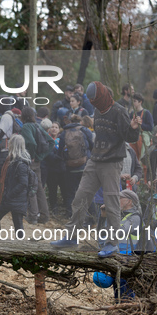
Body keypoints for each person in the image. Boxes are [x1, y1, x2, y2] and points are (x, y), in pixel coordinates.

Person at [51, 81, 141, 258]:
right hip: (95, 160)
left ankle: (112, 243)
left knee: (112, 202)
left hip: (112, 162)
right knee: (80, 197)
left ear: (103, 96)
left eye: (96, 100)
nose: (94, 103)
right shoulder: (98, 111)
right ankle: (71, 236)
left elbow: (128, 136)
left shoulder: (119, 111)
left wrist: (134, 128)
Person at [0, 134, 35, 232]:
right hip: (11, 198)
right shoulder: (11, 161)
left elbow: (23, 183)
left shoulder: (20, 164)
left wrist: (9, 195)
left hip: (14, 199)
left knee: (17, 224)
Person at [58, 114, 93, 218]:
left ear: (69, 121)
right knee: (85, 192)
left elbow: (60, 151)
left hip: (70, 168)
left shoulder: (64, 133)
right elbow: (92, 147)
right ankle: (88, 216)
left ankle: (71, 215)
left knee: (70, 193)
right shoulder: (85, 131)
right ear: (80, 121)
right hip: (84, 166)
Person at [21, 107, 53, 224]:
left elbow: (31, 142)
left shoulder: (26, 127)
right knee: (39, 189)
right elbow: (51, 141)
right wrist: (40, 157)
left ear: (23, 116)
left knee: (31, 187)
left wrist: (32, 156)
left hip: (30, 161)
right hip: (37, 163)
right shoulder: (38, 126)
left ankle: (33, 216)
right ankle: (44, 216)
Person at [44, 121, 66, 215]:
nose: (54, 129)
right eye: (52, 127)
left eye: (56, 127)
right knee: (52, 190)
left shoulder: (62, 139)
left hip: (61, 169)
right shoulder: (46, 139)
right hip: (50, 169)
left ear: (59, 129)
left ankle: (66, 208)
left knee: (64, 189)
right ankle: (54, 208)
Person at [128, 92, 153, 161]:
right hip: (133, 139)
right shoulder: (132, 113)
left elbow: (150, 127)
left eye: (135, 101)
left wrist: (139, 124)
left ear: (140, 102)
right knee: (133, 157)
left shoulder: (146, 113)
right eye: (132, 101)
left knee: (142, 158)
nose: (133, 103)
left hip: (142, 138)